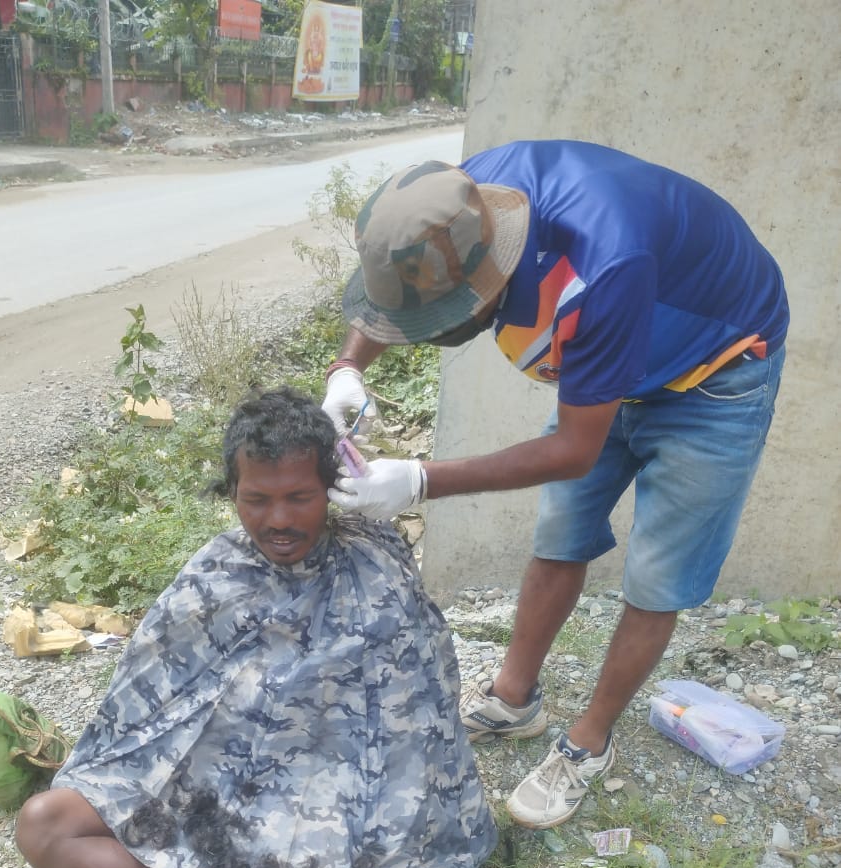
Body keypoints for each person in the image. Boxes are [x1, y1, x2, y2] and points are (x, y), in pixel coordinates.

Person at [321, 143, 788, 830]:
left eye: (436, 321)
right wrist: (347, 368)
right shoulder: (454, 202)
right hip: (616, 354)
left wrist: (420, 480)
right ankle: (514, 699)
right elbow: (397, 290)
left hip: (714, 374)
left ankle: (589, 741)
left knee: (657, 575)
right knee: (561, 532)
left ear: (488, 278)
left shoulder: (604, 266)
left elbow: (572, 450)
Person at [16, 388, 496, 868]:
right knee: (44, 826)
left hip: (337, 823)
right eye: (256, 499)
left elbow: (394, 765)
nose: (279, 520)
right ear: (232, 492)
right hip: (216, 808)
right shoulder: (215, 575)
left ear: (334, 488)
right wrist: (185, 851)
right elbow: (168, 734)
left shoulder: (376, 583)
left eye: (300, 497)